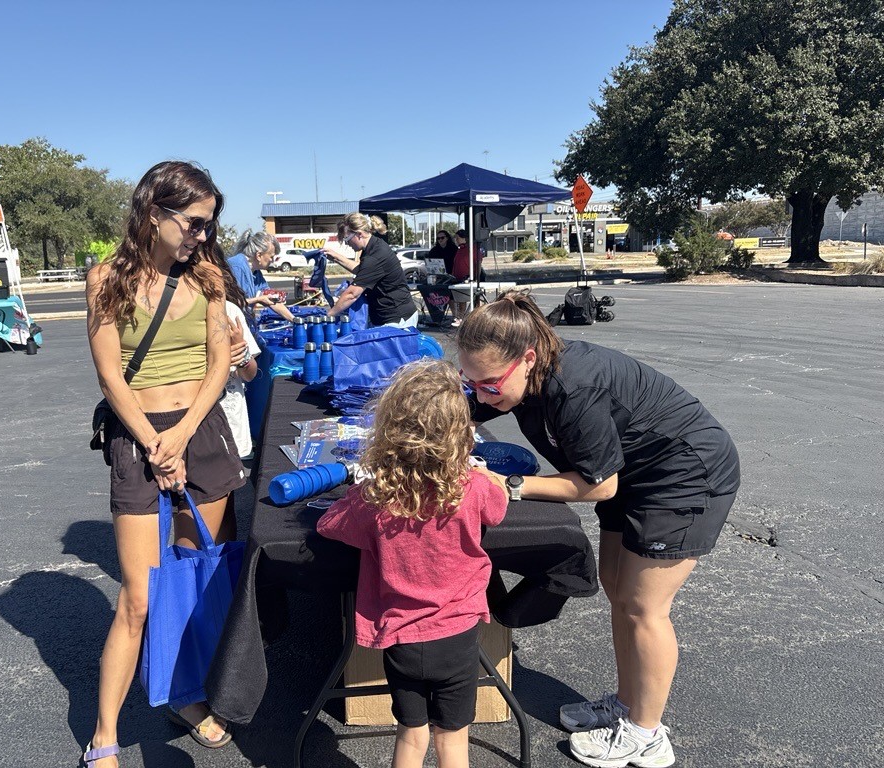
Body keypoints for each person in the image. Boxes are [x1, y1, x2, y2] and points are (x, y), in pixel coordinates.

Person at [456, 291, 741, 768]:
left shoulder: (574, 388)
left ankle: (647, 735)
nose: (482, 394)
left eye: (488, 384)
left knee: (644, 607)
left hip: (682, 476)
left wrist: (507, 484)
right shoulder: (520, 374)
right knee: (618, 591)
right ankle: (629, 705)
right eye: (473, 381)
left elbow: (598, 486)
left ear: (528, 358)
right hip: (632, 473)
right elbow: (465, 407)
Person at [84, 161, 246, 767]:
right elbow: (108, 373)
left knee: (199, 576)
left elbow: (218, 365)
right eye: (195, 222)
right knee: (140, 596)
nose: (203, 235)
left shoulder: (206, 277)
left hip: (200, 431)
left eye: (209, 224)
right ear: (155, 214)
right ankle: (105, 733)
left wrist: (180, 434)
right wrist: (155, 442)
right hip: (137, 437)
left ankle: (188, 696)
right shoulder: (106, 279)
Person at [317, 360, 508, 768]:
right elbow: (498, 508)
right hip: (457, 634)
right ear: (461, 433)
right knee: (453, 739)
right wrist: (486, 475)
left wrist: (360, 488)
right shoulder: (471, 488)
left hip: (401, 637)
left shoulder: (375, 498)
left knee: (410, 733)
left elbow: (328, 524)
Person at [204, 244, 260, 458]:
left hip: (227, 415)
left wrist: (241, 351)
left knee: (227, 484)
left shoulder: (229, 310)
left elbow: (250, 374)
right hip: (191, 420)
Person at [324, 212, 419, 328]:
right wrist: (335, 257)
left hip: (396, 318)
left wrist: (329, 315)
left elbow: (352, 294)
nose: (347, 244)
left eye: (346, 238)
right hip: (390, 315)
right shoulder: (374, 246)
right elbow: (362, 270)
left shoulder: (375, 256)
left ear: (358, 234)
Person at [227, 230, 295, 323]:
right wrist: (258, 299)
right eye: (271, 257)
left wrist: (294, 320)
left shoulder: (256, 272)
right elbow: (231, 303)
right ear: (259, 255)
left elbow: (269, 298)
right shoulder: (236, 267)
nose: (273, 261)